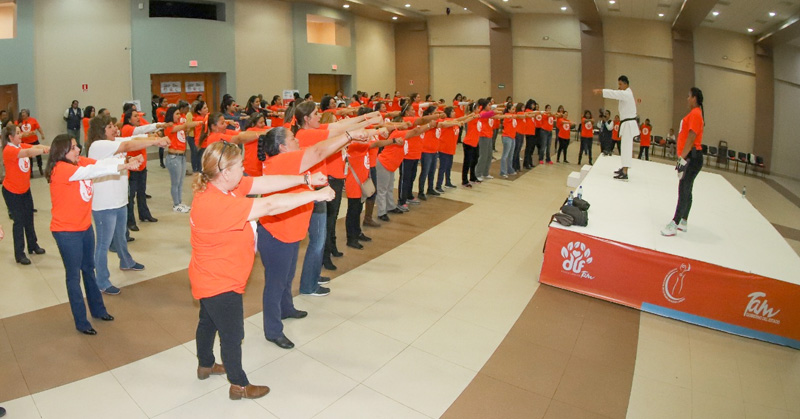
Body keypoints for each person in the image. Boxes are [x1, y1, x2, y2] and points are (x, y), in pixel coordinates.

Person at [189, 141, 332, 400]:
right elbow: (269, 206)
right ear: (225, 172)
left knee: (208, 322)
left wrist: (306, 179)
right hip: (221, 282)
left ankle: (205, 365)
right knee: (233, 335)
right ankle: (239, 385)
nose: (244, 170)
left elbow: (265, 183)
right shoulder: (215, 203)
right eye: (240, 166)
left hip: (209, 275)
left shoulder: (222, 187)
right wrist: (313, 194)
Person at [256, 126, 368, 349]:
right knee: (275, 284)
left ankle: (286, 308)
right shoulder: (283, 160)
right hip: (277, 235)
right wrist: (350, 135)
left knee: (287, 276)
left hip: (289, 232)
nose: (297, 141)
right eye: (292, 138)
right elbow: (318, 151)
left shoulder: (287, 160)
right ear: (282, 146)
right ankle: (273, 330)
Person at [47, 134, 140, 334]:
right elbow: (93, 171)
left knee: (89, 270)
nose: (78, 149)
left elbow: (101, 163)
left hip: (84, 227)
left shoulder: (78, 161)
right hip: (66, 232)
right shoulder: (61, 169)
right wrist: (124, 166)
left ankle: (98, 310)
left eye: (77, 146)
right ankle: (81, 321)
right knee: (73, 277)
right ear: (62, 151)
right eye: (73, 147)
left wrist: (127, 160)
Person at [87, 115, 170, 295]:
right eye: (110, 126)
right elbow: (127, 145)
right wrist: (156, 142)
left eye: (114, 126)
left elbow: (134, 139)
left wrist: (153, 137)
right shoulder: (97, 145)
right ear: (101, 130)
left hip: (120, 200)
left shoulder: (115, 141)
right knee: (103, 244)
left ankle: (126, 261)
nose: (115, 129)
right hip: (105, 204)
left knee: (121, 237)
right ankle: (101, 280)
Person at [2, 123, 49, 265]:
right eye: (17, 133)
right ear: (10, 137)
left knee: (29, 218)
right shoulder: (9, 150)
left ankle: (33, 245)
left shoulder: (20, 145)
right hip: (12, 192)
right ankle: (19, 254)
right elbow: (28, 153)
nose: (20, 135)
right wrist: (43, 151)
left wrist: (50, 148)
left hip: (25, 190)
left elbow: (35, 147)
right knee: (19, 222)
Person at [662, 88, 705, 237]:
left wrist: (682, 158)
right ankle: (683, 220)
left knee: (684, 189)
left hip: (692, 157)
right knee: (687, 188)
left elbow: (691, 137)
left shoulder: (695, 114)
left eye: (688, 96)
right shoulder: (695, 114)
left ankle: (675, 222)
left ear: (694, 98)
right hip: (691, 156)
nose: (687, 99)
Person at [121, 109, 171, 231]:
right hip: (132, 168)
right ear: (128, 119)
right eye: (135, 116)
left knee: (142, 193)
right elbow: (143, 131)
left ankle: (144, 214)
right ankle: (130, 221)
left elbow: (146, 129)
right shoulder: (127, 128)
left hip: (142, 167)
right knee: (131, 197)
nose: (138, 118)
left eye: (138, 116)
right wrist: (158, 126)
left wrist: (156, 132)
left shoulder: (137, 127)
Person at [594, 75, 639, 180]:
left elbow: (614, 93)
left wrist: (601, 91)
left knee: (626, 147)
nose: (619, 86)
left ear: (626, 84)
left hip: (628, 124)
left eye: (620, 84)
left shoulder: (626, 93)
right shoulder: (626, 94)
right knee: (624, 147)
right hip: (626, 123)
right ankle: (624, 168)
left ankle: (625, 171)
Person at [163, 106, 203, 212]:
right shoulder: (169, 126)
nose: (179, 116)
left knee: (180, 182)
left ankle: (179, 202)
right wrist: (199, 122)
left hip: (181, 157)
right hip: (174, 157)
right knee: (175, 182)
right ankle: (176, 204)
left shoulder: (178, 125)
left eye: (179, 114)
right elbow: (185, 125)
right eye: (176, 114)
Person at [18, 109, 46, 177]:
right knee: (28, 157)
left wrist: (42, 134)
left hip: (34, 140)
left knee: (38, 154)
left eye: (24, 113)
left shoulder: (33, 120)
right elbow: (15, 129)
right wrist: (18, 126)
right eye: (22, 113)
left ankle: (40, 168)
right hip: (25, 142)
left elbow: (38, 128)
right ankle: (30, 172)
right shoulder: (19, 121)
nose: (23, 114)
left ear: (27, 114)